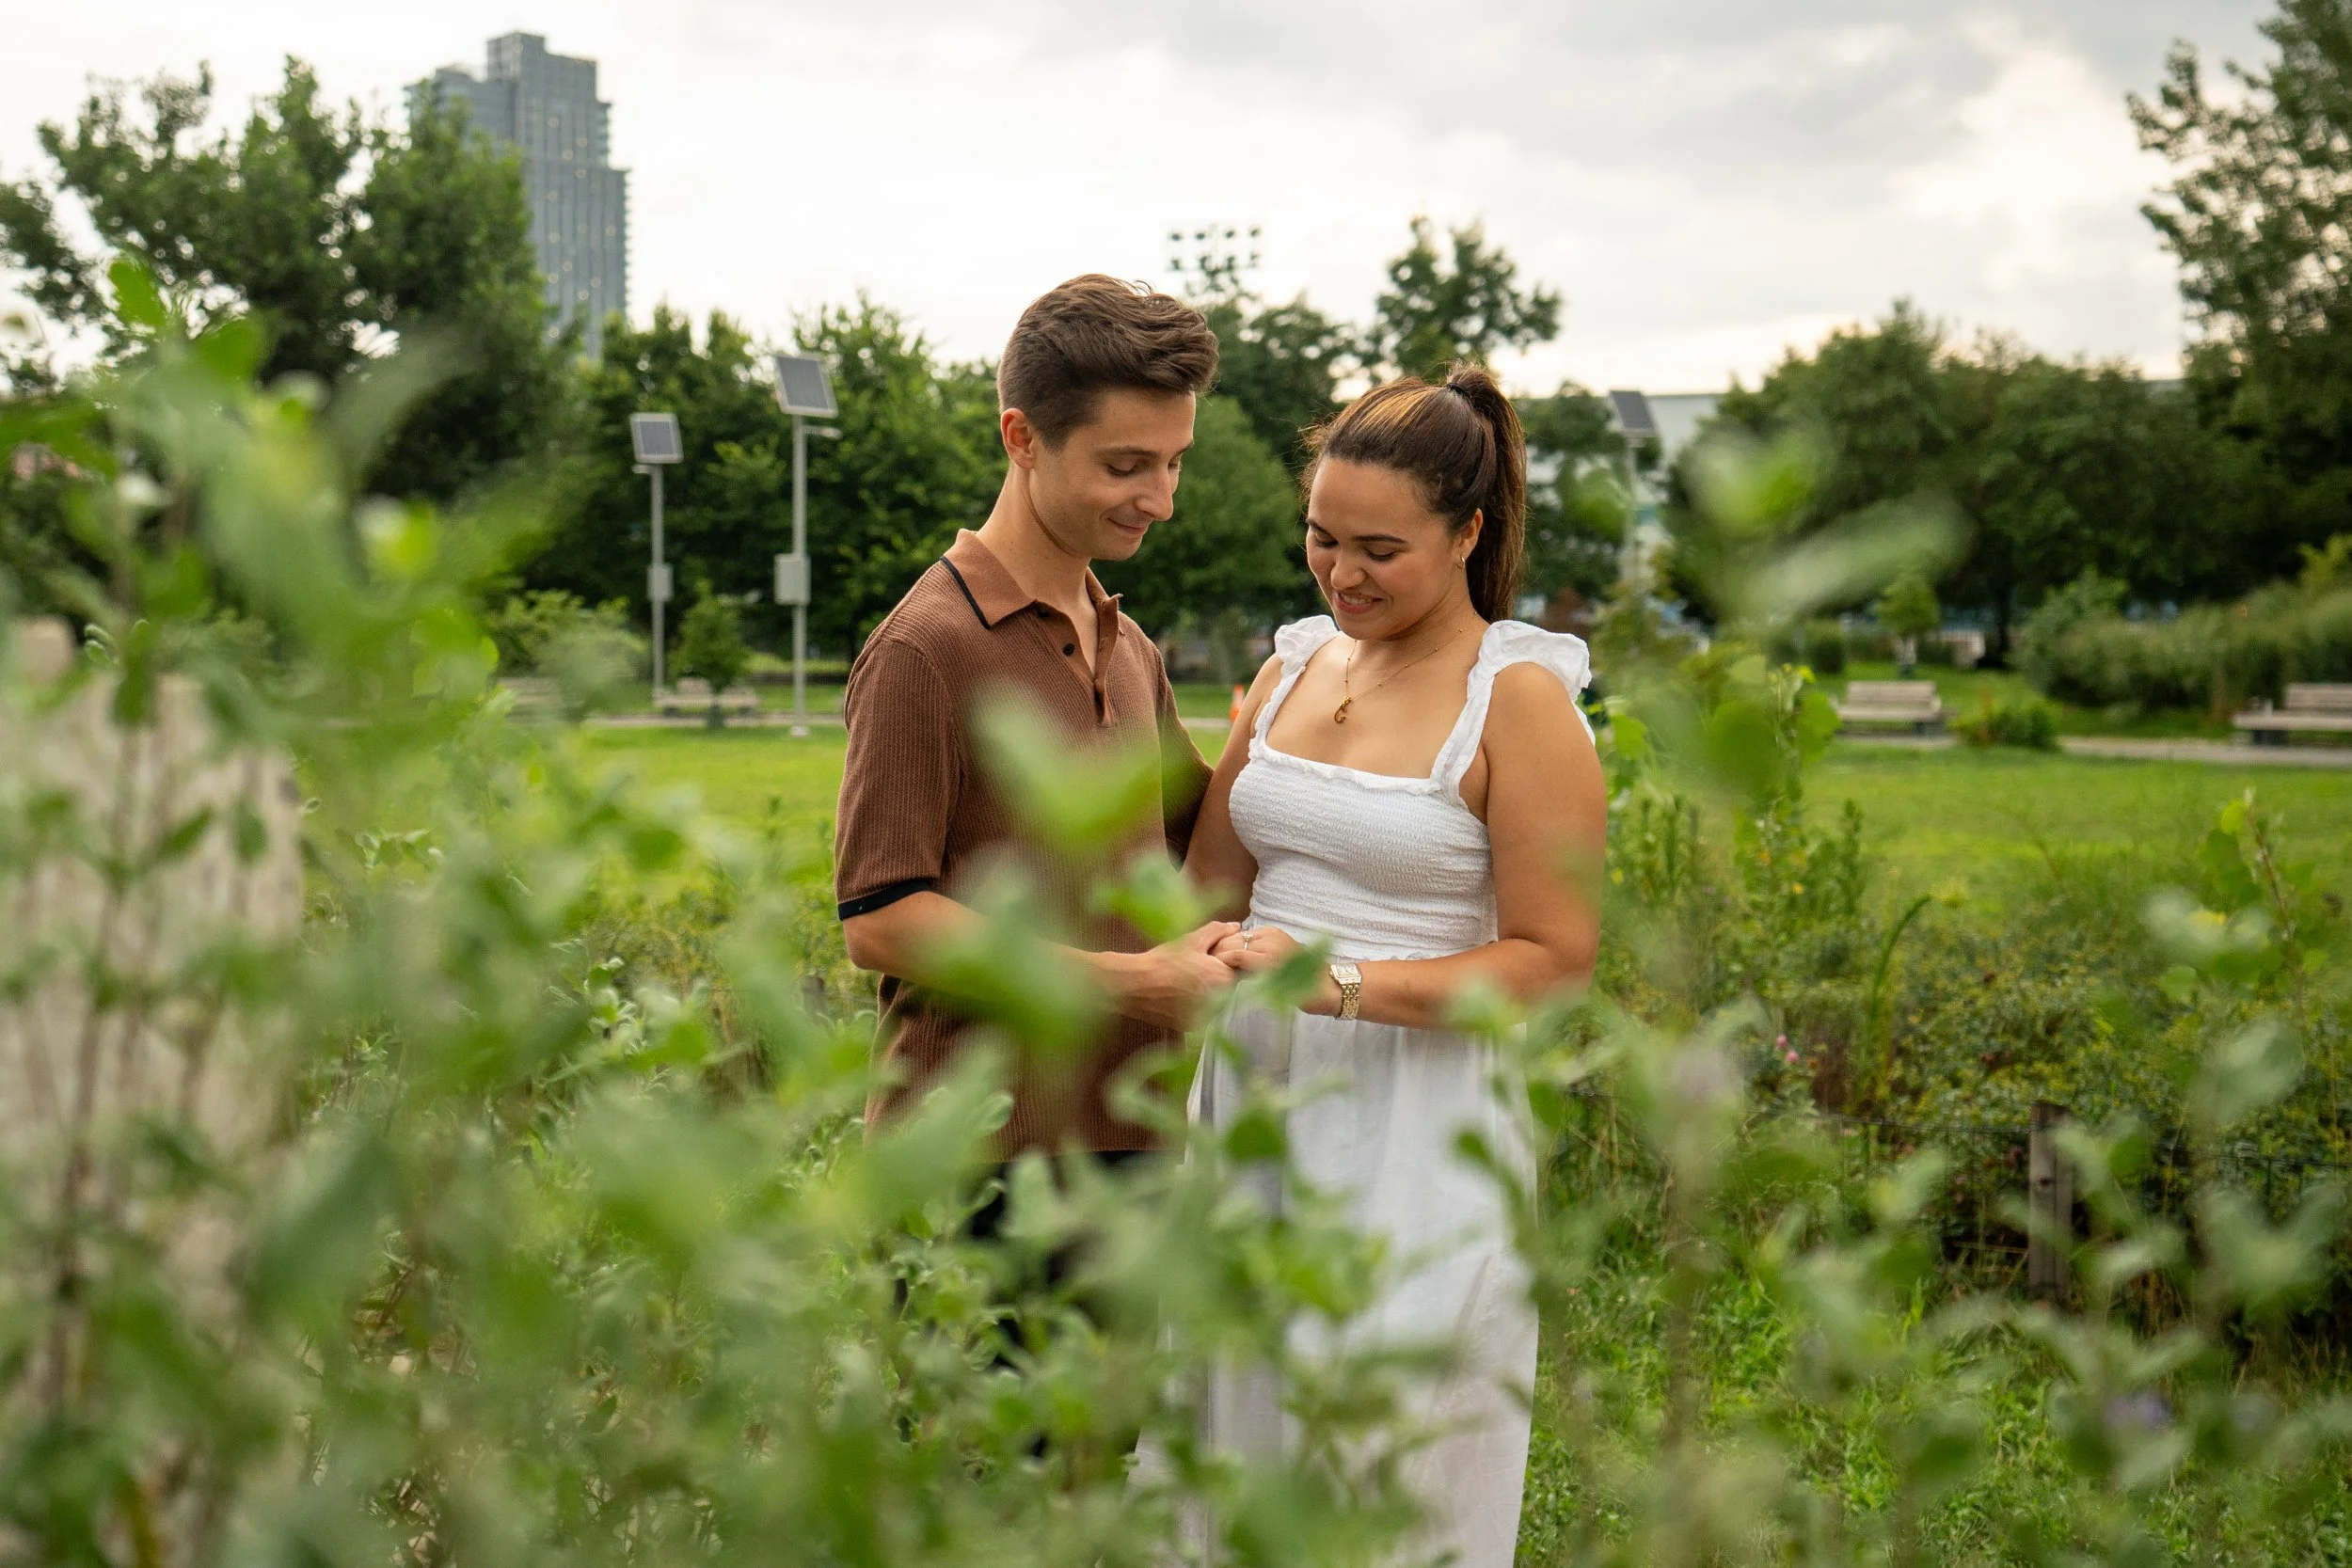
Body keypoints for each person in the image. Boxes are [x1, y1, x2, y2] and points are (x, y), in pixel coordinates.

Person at [1183, 363, 1607, 1566]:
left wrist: (1341, 982)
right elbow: (1213, 885)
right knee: (1237, 1419)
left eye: (1379, 548)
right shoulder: (1289, 668)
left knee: (1381, 1454)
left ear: (1468, 532)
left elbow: (1552, 959)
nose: (1341, 573)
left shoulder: (1518, 704)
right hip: (1258, 1095)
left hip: (1419, 1116)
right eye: (1320, 537)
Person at [834, 273, 1238, 1182]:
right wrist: (1134, 983)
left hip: (1135, 1147)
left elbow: (1202, 854)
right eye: (1126, 464)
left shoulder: (1130, 645)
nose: (1161, 498)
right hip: (967, 1161)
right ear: (1021, 437)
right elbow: (883, 921)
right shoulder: (924, 648)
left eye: (1175, 461)